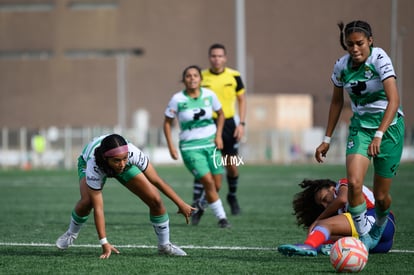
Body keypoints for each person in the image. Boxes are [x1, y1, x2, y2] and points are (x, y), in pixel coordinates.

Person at [314, 20, 405, 251]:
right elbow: (337, 102)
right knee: (354, 183)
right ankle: (364, 237)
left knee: (382, 197)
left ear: (370, 41)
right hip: (360, 128)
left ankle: (378, 228)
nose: (355, 49)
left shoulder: (380, 58)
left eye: (360, 44)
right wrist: (326, 139)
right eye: (350, 44)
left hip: (389, 129)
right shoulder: (341, 66)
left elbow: (394, 101)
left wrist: (379, 134)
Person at [55, 134, 195, 258]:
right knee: (88, 202)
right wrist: (104, 242)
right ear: (106, 158)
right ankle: (71, 234)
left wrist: (180, 203)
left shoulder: (132, 154)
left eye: (124, 158)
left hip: (116, 162)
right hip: (87, 163)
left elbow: (157, 180)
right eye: (117, 160)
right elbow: (99, 208)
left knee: (155, 201)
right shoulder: (94, 164)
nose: (122, 164)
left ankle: (164, 246)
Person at [163, 65, 231, 228]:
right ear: (184, 80)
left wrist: (219, 135)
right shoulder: (177, 99)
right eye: (188, 76)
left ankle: (200, 205)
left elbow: (221, 114)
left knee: (217, 185)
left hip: (211, 144)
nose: (192, 78)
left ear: (200, 79)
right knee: (208, 182)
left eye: (195, 75)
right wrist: (171, 146)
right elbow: (167, 123)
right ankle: (222, 219)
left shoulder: (209, 95)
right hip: (190, 147)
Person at [191, 43, 246, 223]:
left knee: (231, 165)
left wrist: (242, 124)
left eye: (220, 56)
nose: (217, 59)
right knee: (205, 167)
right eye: (213, 56)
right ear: (209, 58)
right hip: (207, 124)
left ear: (225, 58)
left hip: (229, 123)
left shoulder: (234, 76)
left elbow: (242, 99)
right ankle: (198, 204)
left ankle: (232, 195)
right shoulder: (201, 76)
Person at [278, 178, 396, 256]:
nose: (325, 205)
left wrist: (318, 220)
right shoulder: (340, 211)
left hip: (378, 222)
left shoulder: (341, 184)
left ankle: (309, 246)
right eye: (322, 205)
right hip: (382, 245)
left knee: (323, 225)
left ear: (331, 187)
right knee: (327, 235)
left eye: (324, 199)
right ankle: (315, 247)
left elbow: (342, 199)